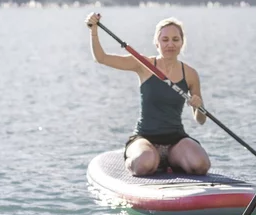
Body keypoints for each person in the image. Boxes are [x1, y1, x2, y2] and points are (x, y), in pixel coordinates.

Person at [85, 13, 211, 176]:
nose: (170, 44)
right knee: (145, 164)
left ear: (182, 43)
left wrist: (199, 106)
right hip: (145, 138)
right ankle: (135, 159)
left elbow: (200, 120)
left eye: (175, 39)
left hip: (175, 140)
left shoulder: (190, 74)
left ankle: (170, 161)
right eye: (165, 40)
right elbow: (101, 58)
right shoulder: (144, 65)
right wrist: (93, 30)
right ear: (157, 43)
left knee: (201, 165)